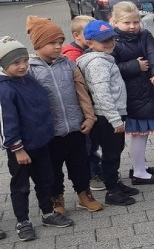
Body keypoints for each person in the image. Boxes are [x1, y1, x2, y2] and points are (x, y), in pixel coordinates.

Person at [0, 37, 75, 242]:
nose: (23, 66)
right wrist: (17, 148)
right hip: (22, 149)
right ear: (4, 65)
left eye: (24, 60)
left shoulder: (27, 79)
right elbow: (7, 123)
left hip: (42, 141)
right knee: (21, 185)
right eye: (16, 63)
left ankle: (48, 213)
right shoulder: (4, 89)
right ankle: (22, 221)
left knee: (46, 180)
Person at [25, 16, 102, 214]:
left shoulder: (68, 64)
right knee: (52, 169)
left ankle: (84, 194)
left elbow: (82, 92)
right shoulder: (30, 70)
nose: (58, 47)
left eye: (60, 42)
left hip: (75, 126)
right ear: (38, 44)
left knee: (80, 164)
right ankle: (56, 198)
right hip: (49, 132)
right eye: (52, 43)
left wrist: (89, 116)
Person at [76, 21, 138, 207]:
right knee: (111, 153)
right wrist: (114, 119)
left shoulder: (102, 58)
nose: (109, 43)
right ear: (90, 43)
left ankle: (115, 182)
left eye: (111, 38)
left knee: (115, 151)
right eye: (103, 41)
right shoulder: (97, 63)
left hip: (110, 114)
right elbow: (101, 94)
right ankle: (112, 191)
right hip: (107, 116)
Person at [110, 2, 154, 185]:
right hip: (127, 96)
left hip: (144, 92)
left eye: (136, 22)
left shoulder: (144, 35)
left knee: (141, 134)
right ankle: (139, 172)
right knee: (138, 133)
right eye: (127, 23)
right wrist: (135, 66)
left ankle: (139, 166)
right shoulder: (112, 40)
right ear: (115, 22)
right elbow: (110, 67)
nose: (133, 26)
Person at [63, 14, 103, 189]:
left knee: (92, 142)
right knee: (87, 145)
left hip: (89, 106)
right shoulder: (73, 55)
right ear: (76, 35)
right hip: (81, 108)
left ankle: (95, 168)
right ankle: (92, 174)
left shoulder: (88, 50)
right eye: (88, 33)